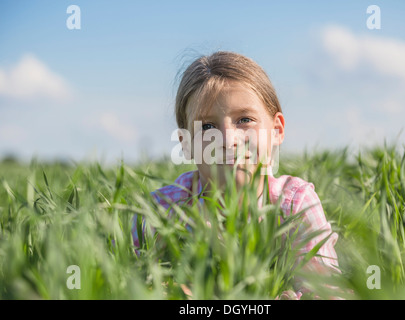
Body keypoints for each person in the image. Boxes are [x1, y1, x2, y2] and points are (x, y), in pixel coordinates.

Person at [132, 51, 339, 299]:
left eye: (244, 119)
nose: (228, 140)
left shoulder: (294, 205)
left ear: (276, 130)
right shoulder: (161, 211)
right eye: (207, 126)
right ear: (185, 143)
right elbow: (125, 284)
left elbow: (326, 291)